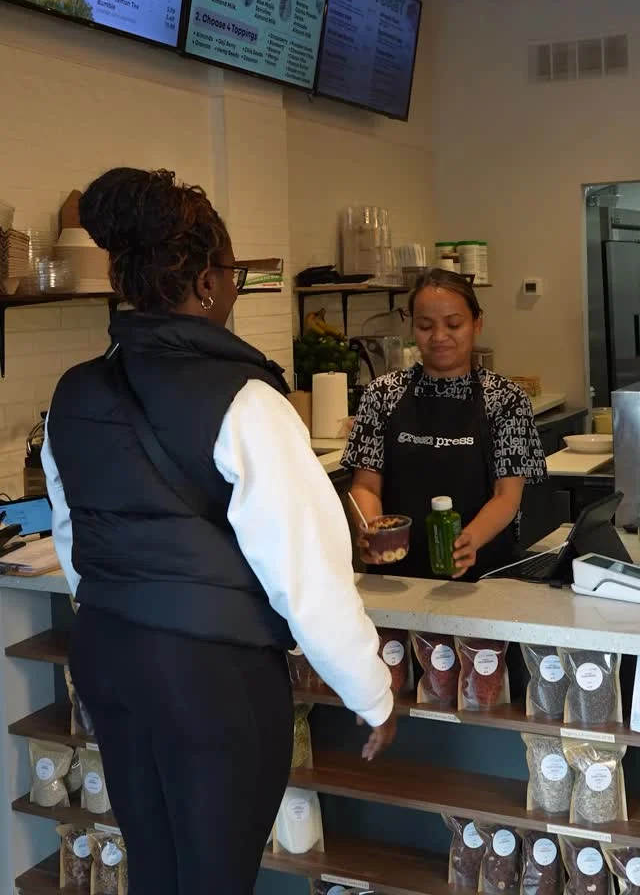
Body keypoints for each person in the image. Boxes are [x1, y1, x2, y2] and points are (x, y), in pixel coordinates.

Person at [42, 168, 395, 895]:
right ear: (207, 284)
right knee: (214, 879)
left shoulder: (75, 390)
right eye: (233, 273)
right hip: (212, 676)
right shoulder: (245, 399)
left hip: (108, 657)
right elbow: (306, 567)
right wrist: (371, 691)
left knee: (158, 870)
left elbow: (75, 537)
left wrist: (127, 614)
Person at [344, 269, 547, 580]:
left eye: (453, 324)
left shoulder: (505, 399)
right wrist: (372, 530)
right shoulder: (383, 394)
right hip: (398, 577)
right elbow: (365, 485)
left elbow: (506, 495)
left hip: (484, 576)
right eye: (425, 326)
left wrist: (470, 541)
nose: (439, 337)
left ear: (477, 323)